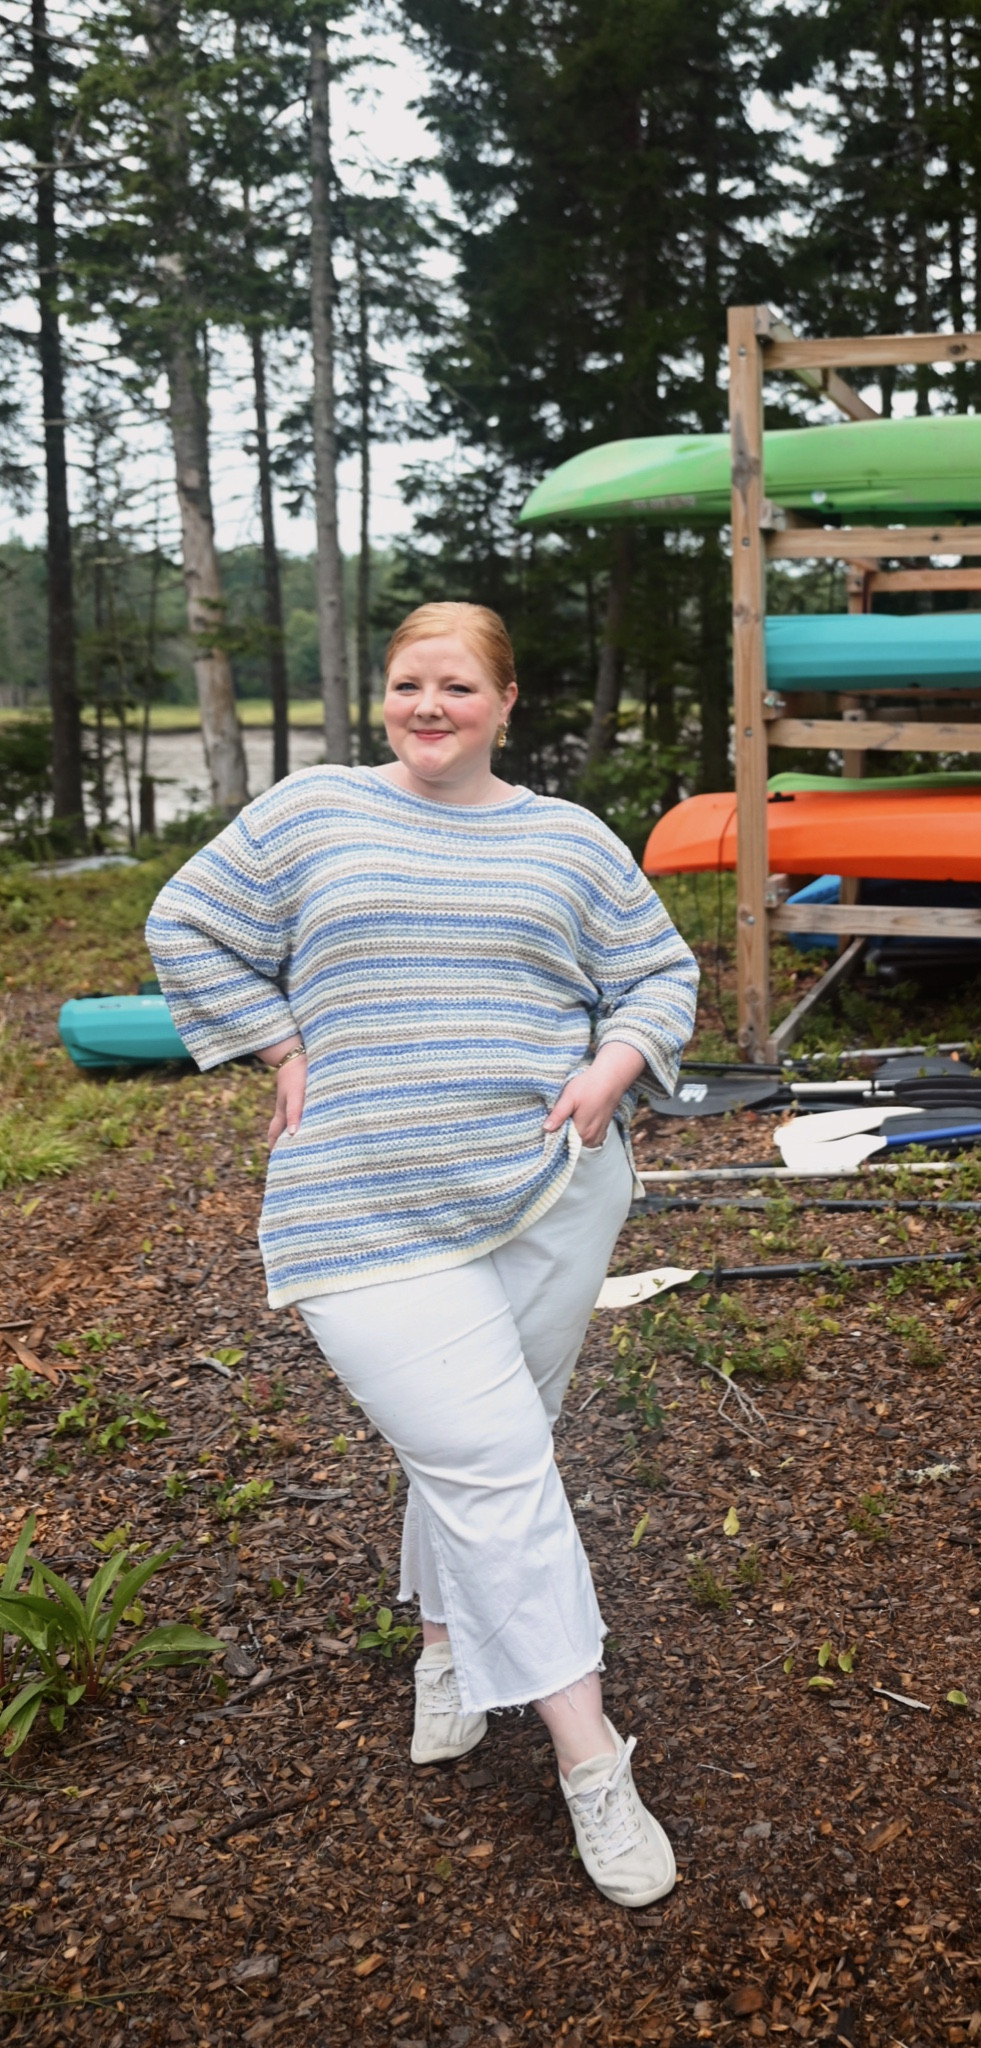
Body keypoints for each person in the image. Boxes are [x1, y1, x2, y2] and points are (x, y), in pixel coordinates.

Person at [146, 601, 698, 1909]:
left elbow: (657, 976)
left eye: (457, 685)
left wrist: (612, 1071)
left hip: (553, 1194)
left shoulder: (567, 839)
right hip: (360, 1210)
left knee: (492, 1441)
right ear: (385, 699)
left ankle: (449, 1649)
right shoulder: (312, 814)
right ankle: (593, 1766)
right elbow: (188, 926)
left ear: (507, 704)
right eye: (408, 685)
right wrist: (282, 1047)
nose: (428, 706)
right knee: (500, 1470)